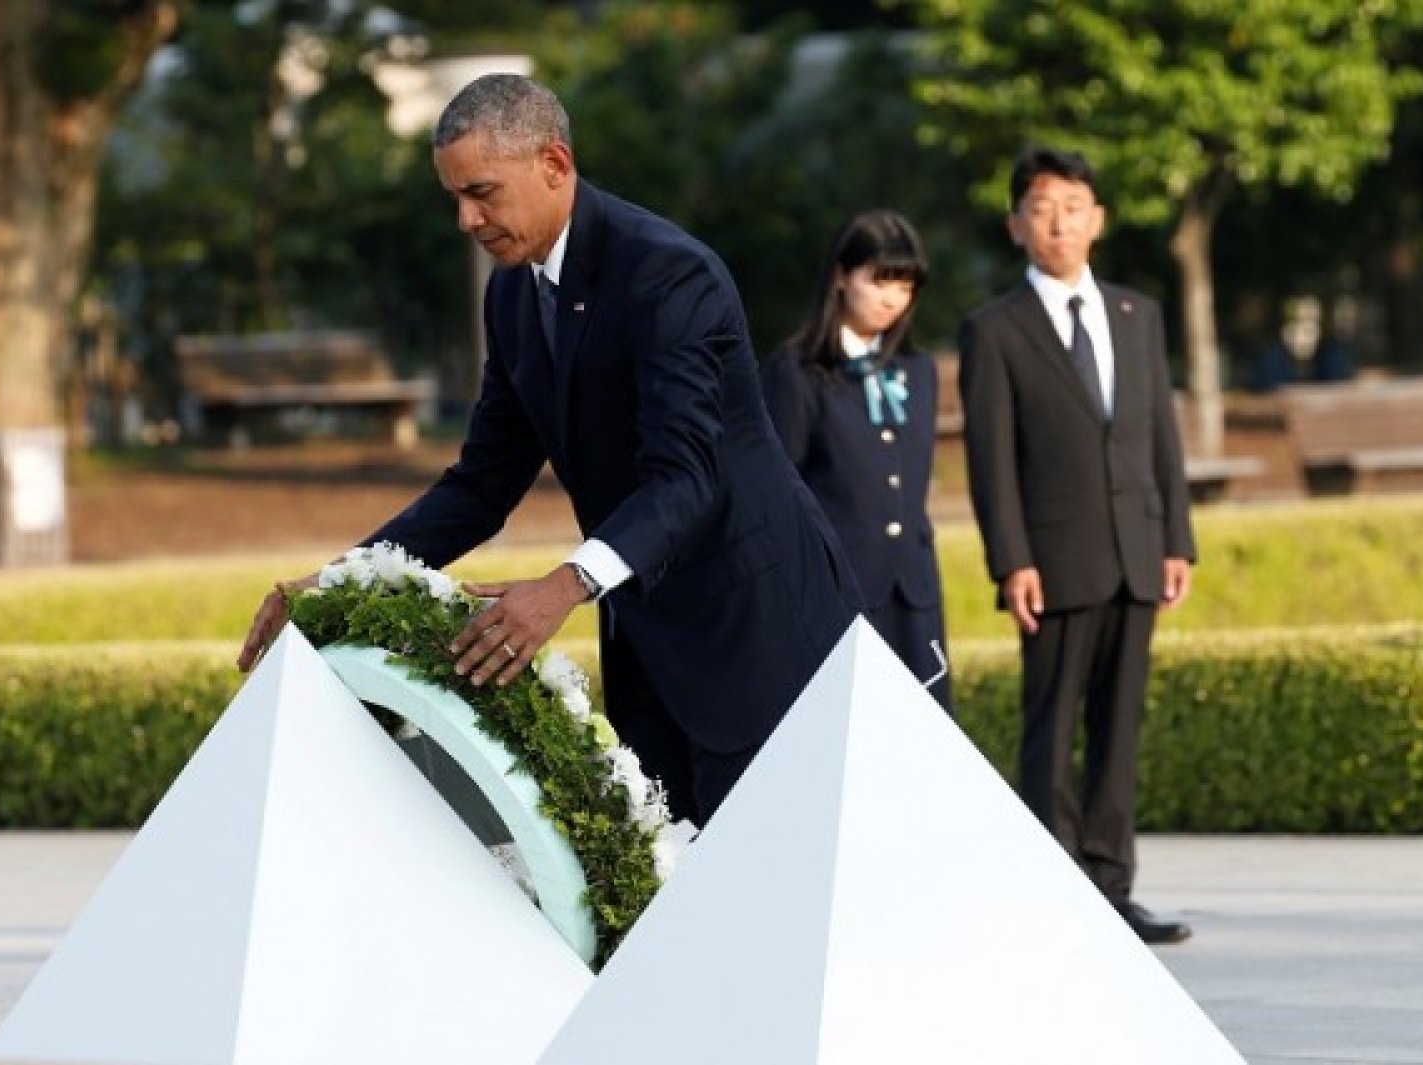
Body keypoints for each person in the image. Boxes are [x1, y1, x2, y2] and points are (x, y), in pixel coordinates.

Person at [236, 74, 861, 826]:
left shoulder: (668, 273)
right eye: (454, 198)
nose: (466, 220)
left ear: (554, 165)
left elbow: (685, 475)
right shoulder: (510, 295)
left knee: (772, 864)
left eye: (482, 193)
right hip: (648, 638)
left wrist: (565, 585)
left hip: (759, 622)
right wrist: (339, 581)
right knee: (678, 874)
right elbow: (481, 484)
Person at [957, 146, 1197, 944]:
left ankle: (1112, 887)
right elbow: (992, 461)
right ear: (1015, 225)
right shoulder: (995, 330)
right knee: (1052, 728)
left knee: (1119, 731)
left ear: (1099, 219)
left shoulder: (1137, 314)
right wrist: (1011, 559)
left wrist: (1176, 539)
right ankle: (1055, 892)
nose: (1059, 222)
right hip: (1054, 563)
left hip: (1138, 552)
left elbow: (1161, 435)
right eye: (1042, 208)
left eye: (1073, 206)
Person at [760, 210, 955, 714]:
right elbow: (777, 494)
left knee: (923, 734)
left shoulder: (918, 370)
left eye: (906, 285)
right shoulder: (797, 372)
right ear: (842, 276)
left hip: (913, 593)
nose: (893, 298)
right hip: (837, 592)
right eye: (880, 280)